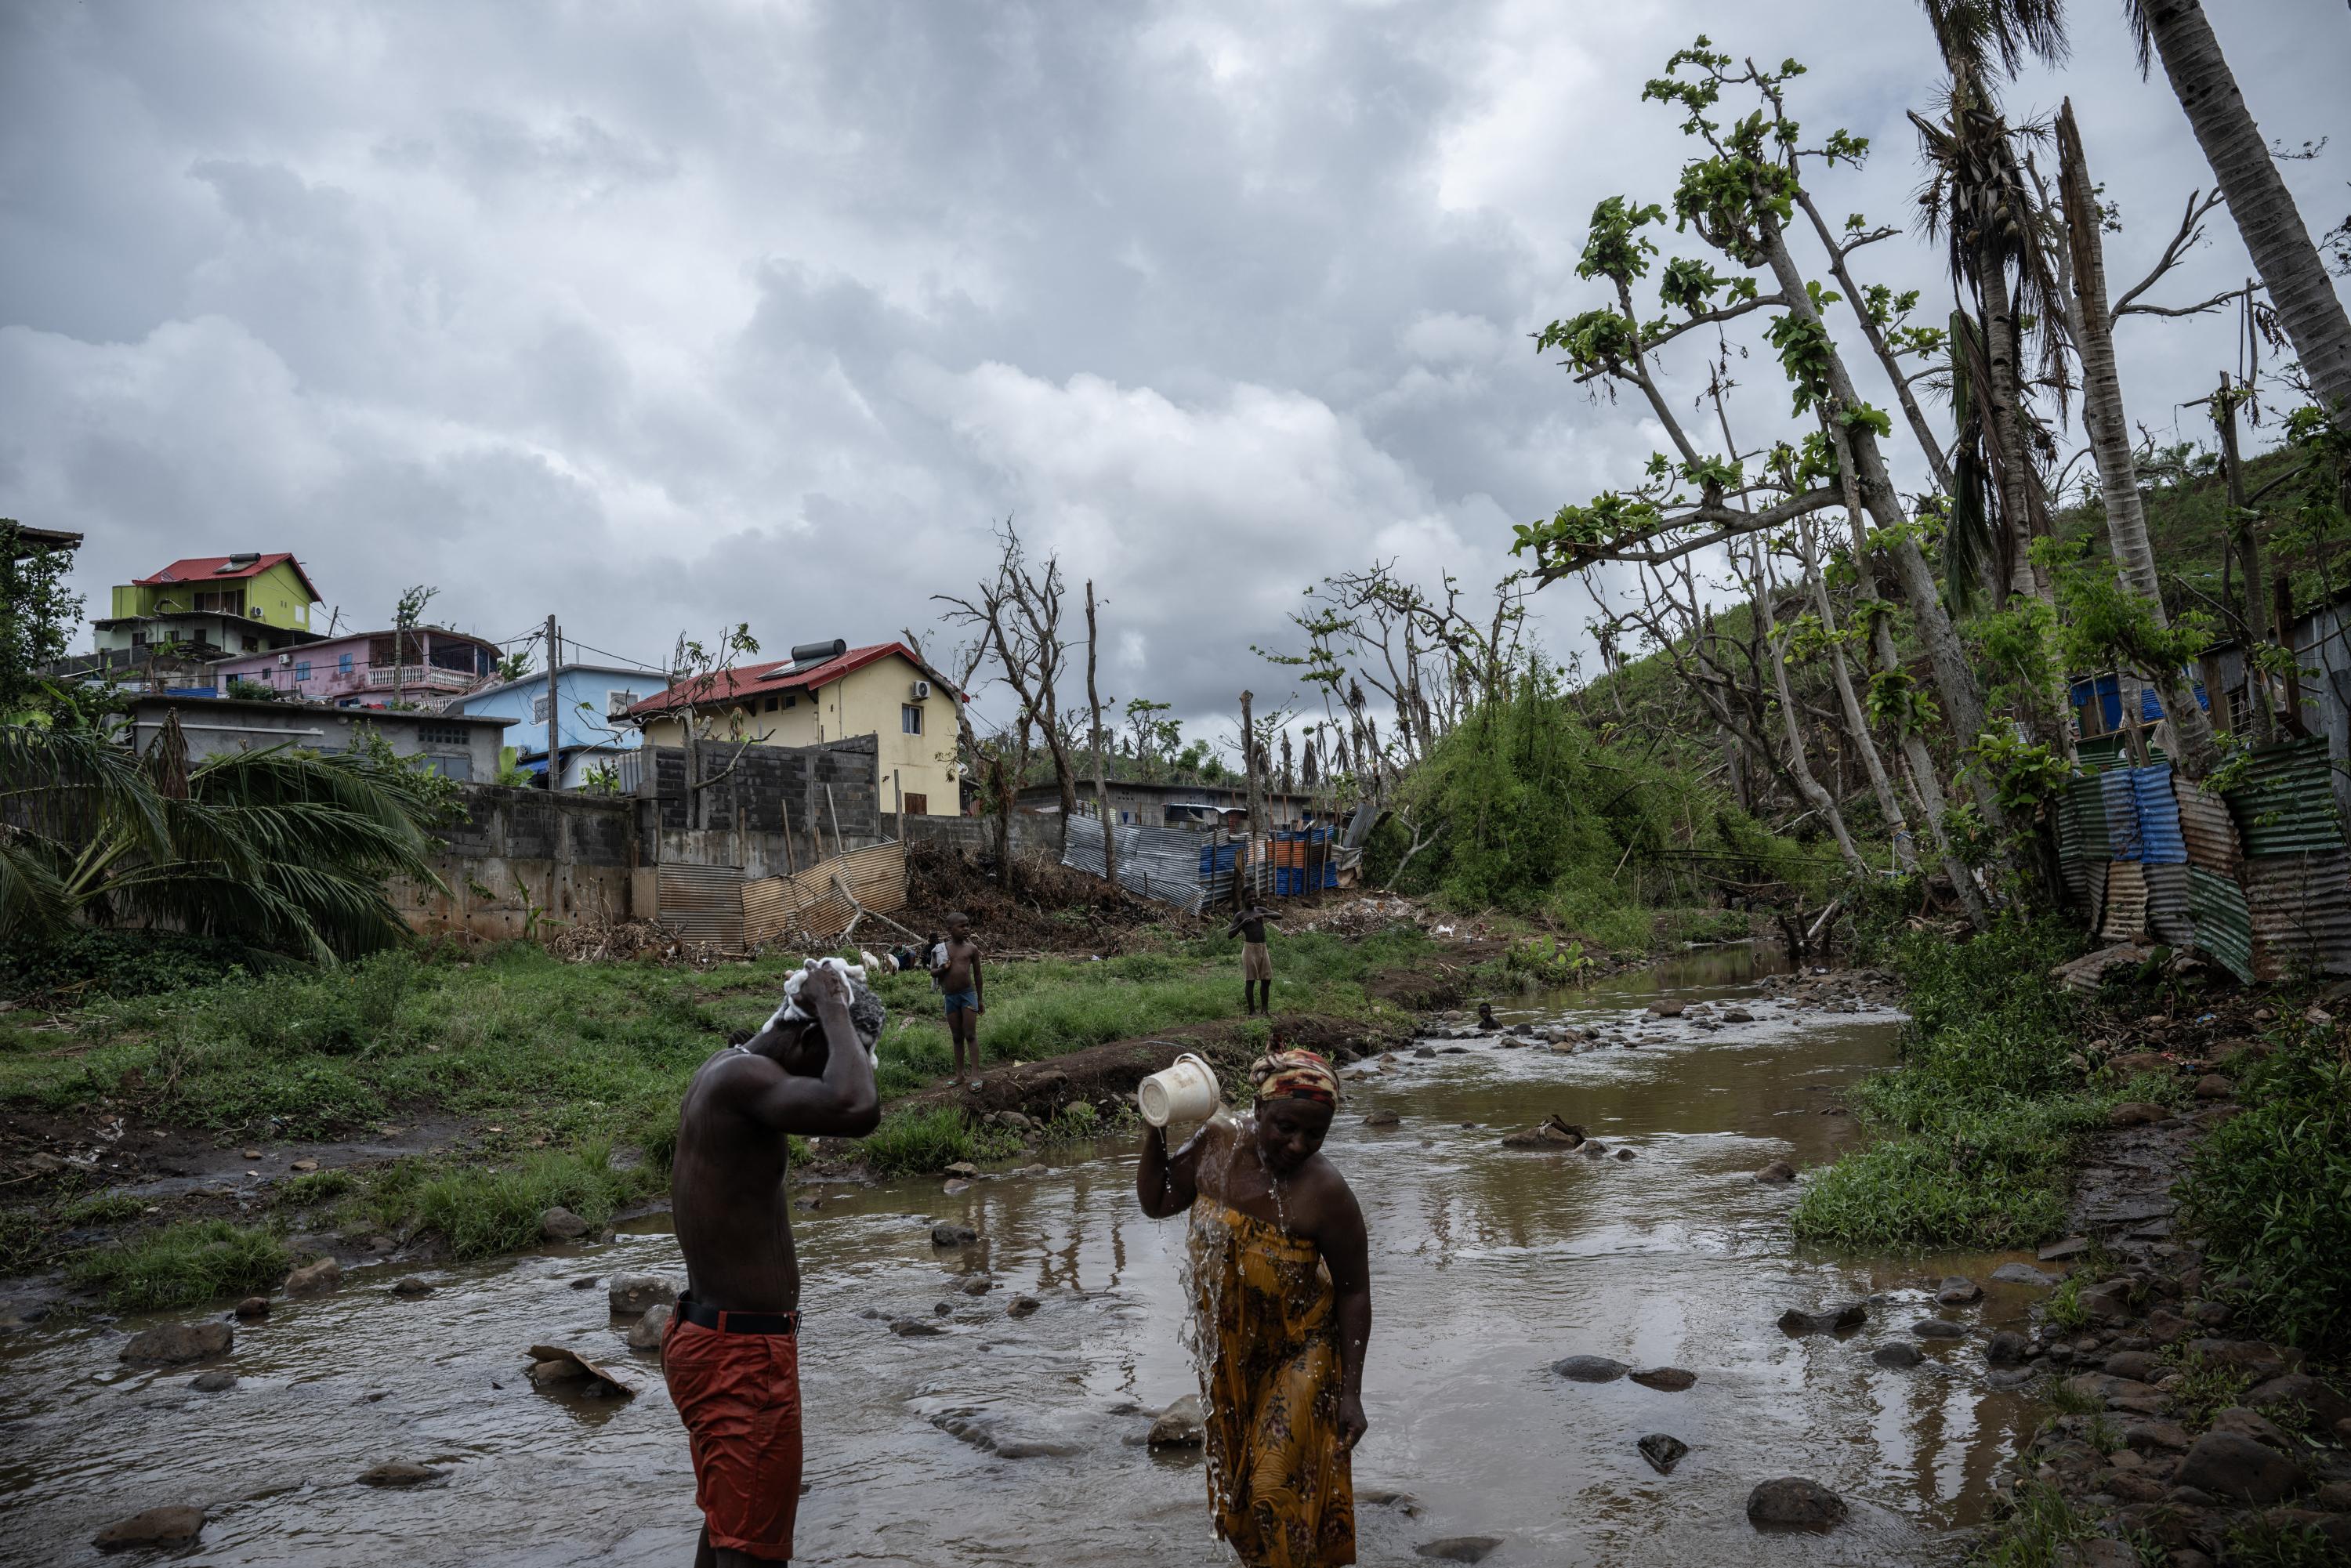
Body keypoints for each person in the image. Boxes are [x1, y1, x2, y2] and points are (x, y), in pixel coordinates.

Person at [665, 962, 882, 1567]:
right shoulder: (742, 1081)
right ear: (811, 1037)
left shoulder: (729, 1071)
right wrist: (833, 1002)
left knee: (731, 1530)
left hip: (721, 1342)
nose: (835, 1075)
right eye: (837, 1055)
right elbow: (856, 1105)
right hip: (739, 1358)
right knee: (753, 1551)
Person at [1136, 1048, 1371, 1568]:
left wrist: (1351, 1392)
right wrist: (1156, 1123)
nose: (1298, 1144)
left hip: (1301, 1351)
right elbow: (1158, 1198)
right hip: (1232, 1357)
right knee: (1240, 1506)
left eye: (1315, 1135)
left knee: (1273, 1487)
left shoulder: (1327, 1193)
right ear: (1259, 1110)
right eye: (1286, 1127)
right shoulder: (1219, 1143)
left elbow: (1354, 1290)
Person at [932, 911, 985, 1085]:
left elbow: (978, 975)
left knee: (970, 1034)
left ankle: (975, 1074)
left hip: (968, 996)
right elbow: (932, 971)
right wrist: (944, 968)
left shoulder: (972, 949)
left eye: (967, 925)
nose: (966, 929)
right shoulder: (941, 950)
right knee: (956, 1037)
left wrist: (980, 999)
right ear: (949, 929)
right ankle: (960, 1075)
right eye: (961, 926)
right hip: (950, 997)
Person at [1226, 903, 1282, 1015]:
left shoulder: (1260, 910)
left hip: (1263, 947)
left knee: (1266, 980)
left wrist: (1263, 915)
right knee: (1250, 981)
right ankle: (1252, 1011)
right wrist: (1242, 923)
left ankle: (1265, 1011)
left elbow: (1279, 915)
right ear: (1244, 899)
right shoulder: (1240, 915)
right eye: (1249, 897)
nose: (1252, 899)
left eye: (1253, 896)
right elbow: (1230, 935)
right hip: (1249, 948)